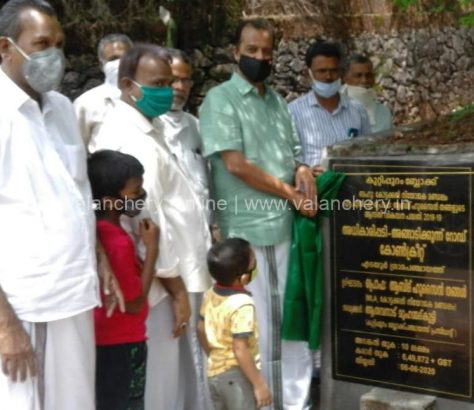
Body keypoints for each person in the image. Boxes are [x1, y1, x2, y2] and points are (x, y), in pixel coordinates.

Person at [0, 1, 121, 408]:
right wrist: (5, 327)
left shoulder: (64, 109)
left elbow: (75, 195)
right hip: (20, 305)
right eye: (41, 44)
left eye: (59, 43)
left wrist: (98, 252)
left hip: (71, 292)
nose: (54, 54)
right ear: (5, 48)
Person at [199, 18, 316, 410]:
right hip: (251, 233)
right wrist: (288, 192)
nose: (260, 58)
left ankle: (295, 403)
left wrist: (299, 170)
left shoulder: (278, 101)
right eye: (252, 51)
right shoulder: (220, 100)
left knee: (290, 323)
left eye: (267, 51)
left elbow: (291, 155)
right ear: (236, 53)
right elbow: (235, 165)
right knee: (260, 326)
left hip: (284, 226)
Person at [94, 43, 212, 410]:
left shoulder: (151, 127)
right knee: (163, 381)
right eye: (158, 82)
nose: (168, 90)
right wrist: (176, 291)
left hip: (172, 274)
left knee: (179, 377)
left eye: (171, 81)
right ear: (129, 86)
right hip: (159, 285)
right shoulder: (131, 139)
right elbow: (148, 223)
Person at [158, 47, 212, 410]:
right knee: (173, 342)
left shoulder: (195, 126)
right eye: (172, 79)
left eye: (186, 79)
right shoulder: (149, 127)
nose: (180, 86)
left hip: (202, 247)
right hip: (167, 257)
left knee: (204, 335)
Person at [88, 150, 159, 410]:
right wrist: (153, 251)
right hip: (122, 344)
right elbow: (134, 303)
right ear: (109, 201)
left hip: (108, 342)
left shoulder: (104, 232)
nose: (141, 197)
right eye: (135, 191)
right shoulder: (114, 241)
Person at [198, 238, 272, 410]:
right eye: (253, 260)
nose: (256, 264)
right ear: (243, 276)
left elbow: (200, 329)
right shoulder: (243, 303)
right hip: (237, 377)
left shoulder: (210, 294)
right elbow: (240, 349)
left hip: (214, 375)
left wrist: (216, 356)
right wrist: (259, 385)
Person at [288, 41, 371, 175]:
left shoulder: (357, 110)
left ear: (341, 72)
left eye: (333, 71)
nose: (328, 77)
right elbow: (287, 160)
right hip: (315, 191)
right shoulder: (293, 113)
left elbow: (368, 152)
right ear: (308, 74)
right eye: (321, 71)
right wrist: (306, 171)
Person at [74, 33, 133, 151]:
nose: (120, 63)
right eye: (113, 59)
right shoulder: (86, 103)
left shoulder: (146, 97)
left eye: (125, 57)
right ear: (102, 65)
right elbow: (75, 149)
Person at [341, 53, 393, 133]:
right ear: (345, 78)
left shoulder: (384, 113)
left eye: (368, 75)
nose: (364, 80)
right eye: (358, 76)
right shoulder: (334, 110)